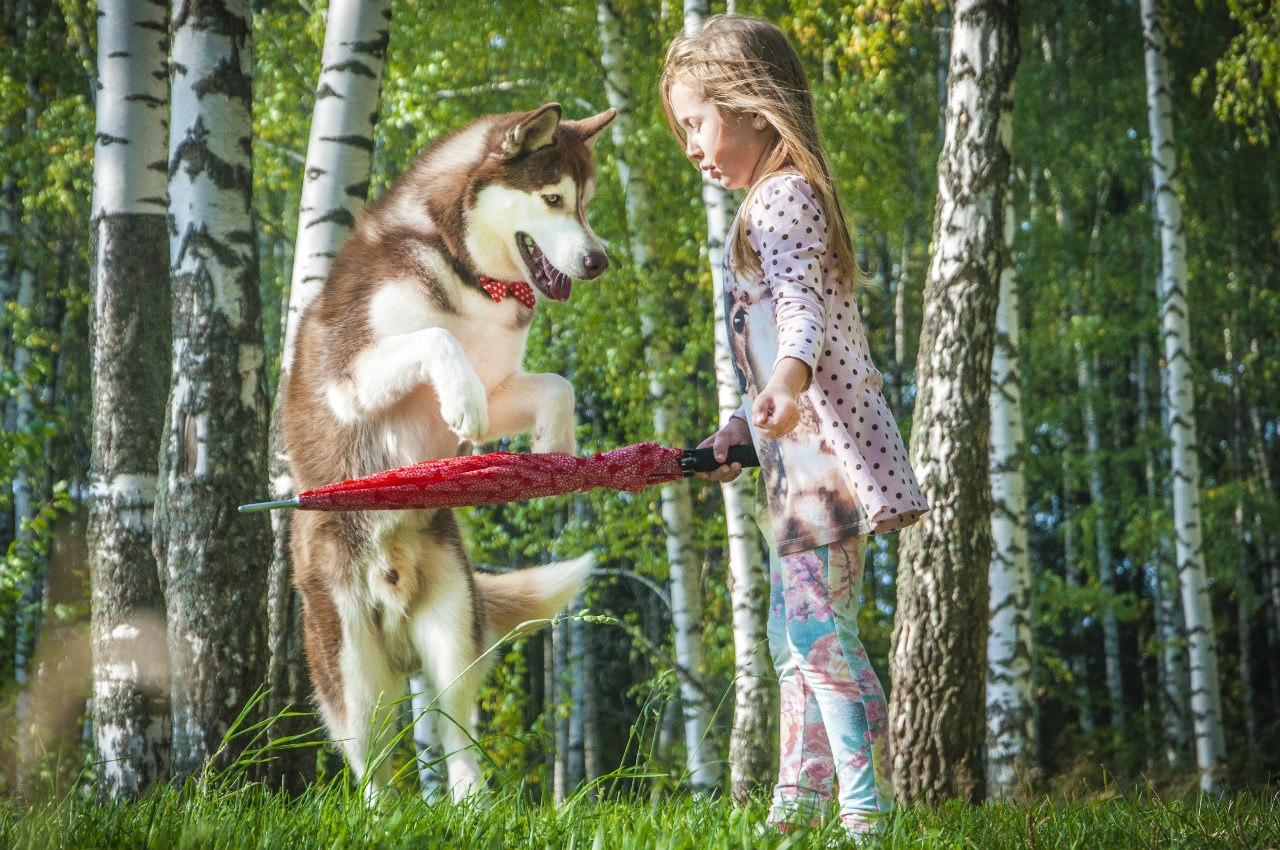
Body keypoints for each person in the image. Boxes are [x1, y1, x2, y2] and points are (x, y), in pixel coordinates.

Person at [660, 14, 929, 839]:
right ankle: (797, 808)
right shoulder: (774, 203)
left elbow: (800, 317)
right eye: (681, 132)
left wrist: (783, 384)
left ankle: (862, 811)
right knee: (795, 639)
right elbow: (780, 345)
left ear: (751, 107)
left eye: (698, 124)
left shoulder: (784, 197)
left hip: (824, 460)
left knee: (816, 636)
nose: (694, 149)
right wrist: (738, 433)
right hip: (795, 460)